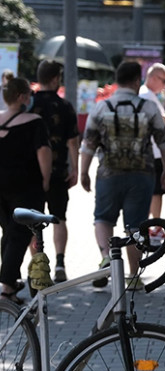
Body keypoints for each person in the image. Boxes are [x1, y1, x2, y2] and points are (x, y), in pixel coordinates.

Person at [80, 61, 165, 290]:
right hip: (142, 174)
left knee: (103, 218)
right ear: (136, 81)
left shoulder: (101, 107)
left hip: (108, 173)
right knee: (136, 225)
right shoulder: (148, 107)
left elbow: (88, 143)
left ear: (117, 80)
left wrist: (83, 172)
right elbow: (164, 142)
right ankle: (133, 276)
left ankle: (106, 256)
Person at [0, 78, 52, 303]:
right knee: (20, 234)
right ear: (21, 97)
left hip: (1, 186)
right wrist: (46, 179)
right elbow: (43, 152)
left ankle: (10, 285)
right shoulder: (34, 122)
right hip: (26, 186)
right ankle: (6, 285)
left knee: (9, 233)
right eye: (29, 94)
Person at [29, 60, 80, 282]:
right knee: (59, 217)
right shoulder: (65, 106)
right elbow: (73, 142)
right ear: (55, 79)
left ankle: (38, 267)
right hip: (58, 171)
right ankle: (60, 263)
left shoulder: (29, 104)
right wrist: (76, 168)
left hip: (32, 172)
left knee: (32, 221)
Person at [138, 62, 165, 223]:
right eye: (163, 80)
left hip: (153, 150)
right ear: (152, 77)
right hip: (153, 151)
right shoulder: (146, 95)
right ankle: (156, 225)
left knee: (154, 191)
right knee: (155, 192)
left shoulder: (148, 95)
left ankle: (154, 224)